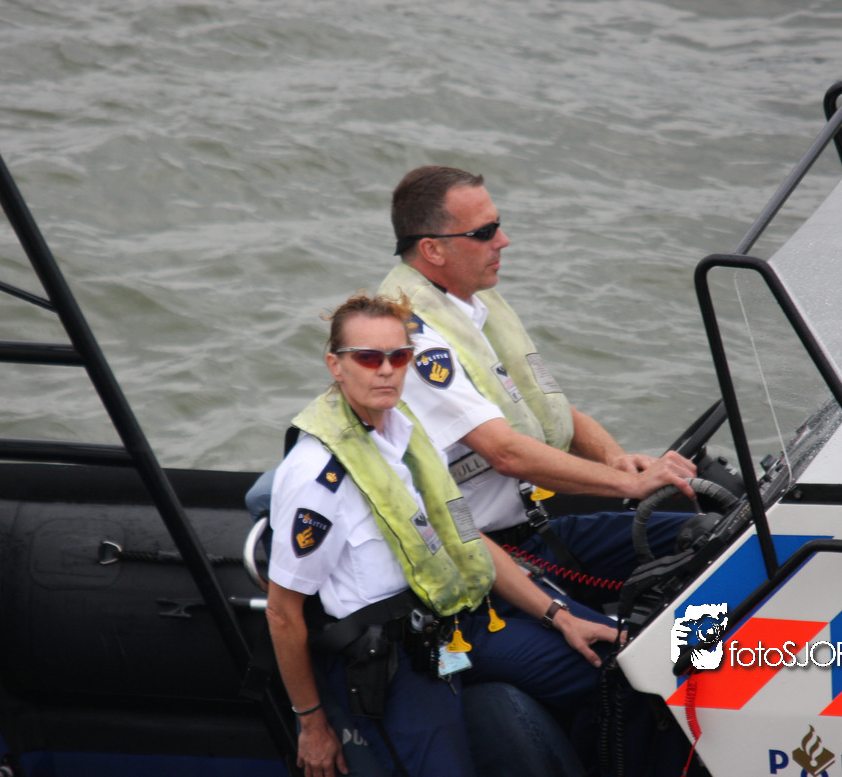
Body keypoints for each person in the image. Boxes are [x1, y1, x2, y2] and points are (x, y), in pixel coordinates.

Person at [265, 292, 620, 777]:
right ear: (336, 365)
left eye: (398, 356)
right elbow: (283, 612)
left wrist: (559, 615)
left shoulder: (410, 437)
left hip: (453, 625)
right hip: (391, 657)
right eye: (368, 358)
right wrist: (311, 723)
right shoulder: (316, 475)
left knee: (614, 674)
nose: (386, 370)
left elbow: (468, 541)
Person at [378, 166, 698, 599]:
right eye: (484, 232)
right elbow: (505, 452)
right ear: (432, 249)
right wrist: (630, 486)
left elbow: (546, 409)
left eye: (498, 225)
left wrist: (617, 460)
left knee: (704, 531)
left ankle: (707, 643)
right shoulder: (411, 339)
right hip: (481, 553)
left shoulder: (469, 306)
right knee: (608, 644)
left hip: (533, 524)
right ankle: (695, 645)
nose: (503, 240)